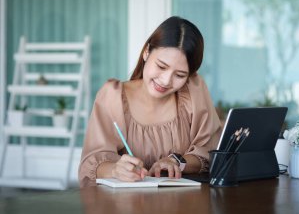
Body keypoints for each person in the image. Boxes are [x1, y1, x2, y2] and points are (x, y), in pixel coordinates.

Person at [78, 16, 222, 188]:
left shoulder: (194, 90)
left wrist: (177, 161)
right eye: (161, 66)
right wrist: (116, 170)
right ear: (146, 52)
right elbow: (91, 164)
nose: (166, 80)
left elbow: (210, 153)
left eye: (180, 75)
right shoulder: (113, 96)